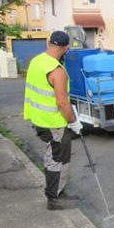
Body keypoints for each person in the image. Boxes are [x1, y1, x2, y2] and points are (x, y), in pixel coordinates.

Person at [23, 31, 83, 211]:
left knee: (55, 158)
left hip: (39, 120)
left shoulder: (36, 61)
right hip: (53, 123)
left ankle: (58, 192)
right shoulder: (57, 71)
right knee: (58, 160)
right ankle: (54, 198)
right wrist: (73, 122)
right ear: (66, 48)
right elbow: (62, 103)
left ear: (49, 44)